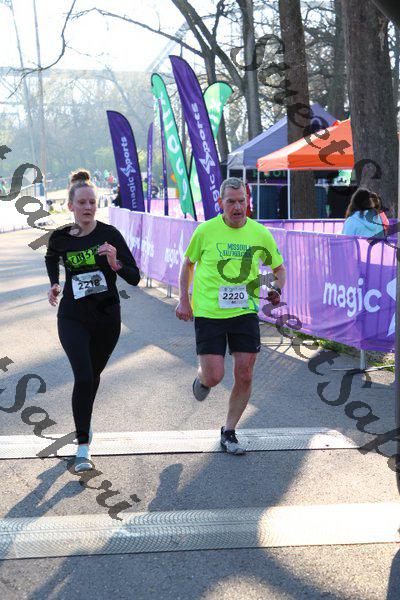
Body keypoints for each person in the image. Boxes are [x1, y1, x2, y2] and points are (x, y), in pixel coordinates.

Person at [176, 177, 286, 455]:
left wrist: (274, 289)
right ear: (220, 203)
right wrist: (184, 300)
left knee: (245, 373)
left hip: (244, 311)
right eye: (231, 202)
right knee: (215, 376)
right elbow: (187, 265)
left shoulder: (259, 233)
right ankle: (203, 379)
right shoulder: (206, 231)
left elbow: (279, 270)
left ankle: (229, 431)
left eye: (241, 201)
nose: (237, 207)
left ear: (247, 202)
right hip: (209, 312)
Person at [45, 169, 140, 472]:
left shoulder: (109, 235)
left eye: (92, 202)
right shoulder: (61, 237)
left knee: (92, 377)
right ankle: (83, 446)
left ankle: (83, 423)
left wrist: (115, 262)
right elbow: (50, 256)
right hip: (72, 316)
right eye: (82, 202)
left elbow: (135, 277)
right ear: (71, 206)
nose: (87, 207)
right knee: (84, 377)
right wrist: (55, 282)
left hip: (106, 319)